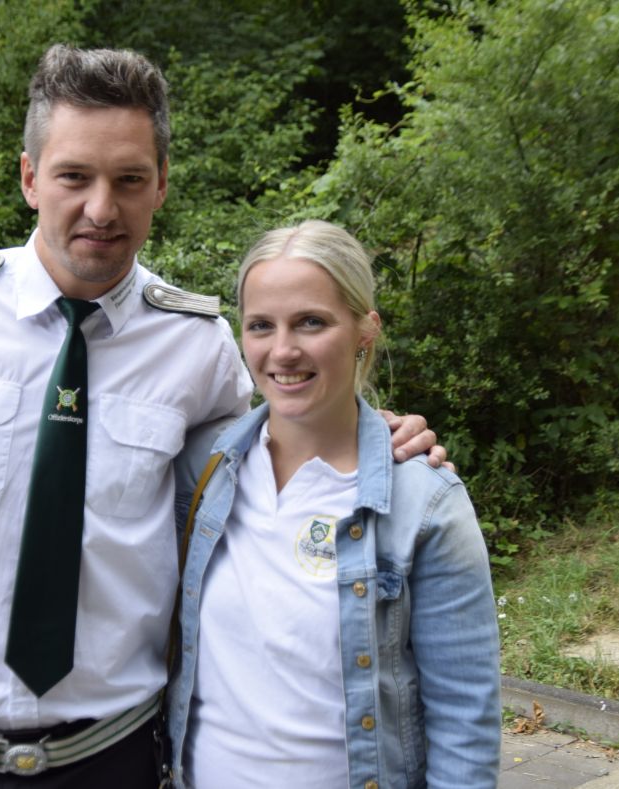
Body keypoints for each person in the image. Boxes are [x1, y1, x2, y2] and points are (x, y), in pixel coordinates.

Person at [0, 46, 445, 788]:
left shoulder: (199, 348)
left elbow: (273, 475)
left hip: (112, 759)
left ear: (161, 184)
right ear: (29, 178)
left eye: (129, 180)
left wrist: (377, 438)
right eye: (74, 176)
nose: (102, 209)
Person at [166, 220, 501, 789]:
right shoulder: (202, 468)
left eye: (311, 322)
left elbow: (465, 717)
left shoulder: (424, 504)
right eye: (261, 325)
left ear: (365, 330)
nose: (283, 350)